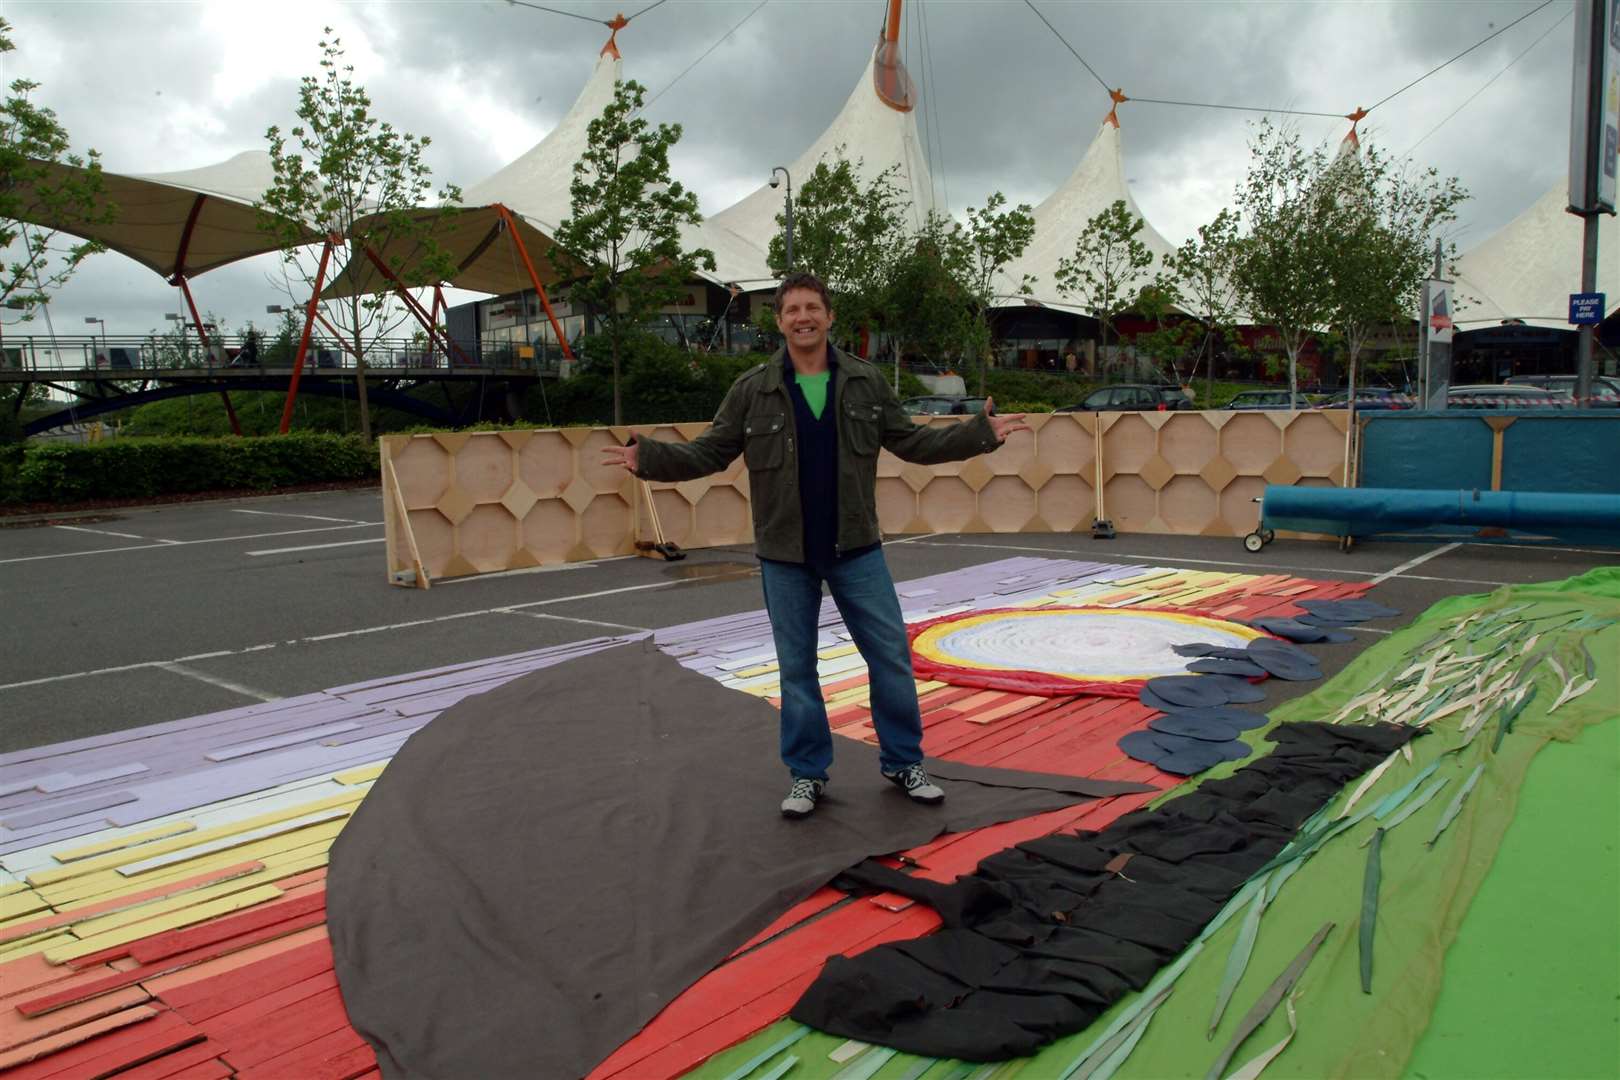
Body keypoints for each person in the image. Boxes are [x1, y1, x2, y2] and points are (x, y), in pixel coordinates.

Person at [602, 272, 1030, 818]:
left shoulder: (865, 382)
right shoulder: (752, 389)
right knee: (797, 671)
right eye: (791, 310)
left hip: (856, 549)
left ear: (829, 317)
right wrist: (652, 458)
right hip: (786, 557)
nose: (802, 317)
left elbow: (915, 443)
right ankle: (807, 775)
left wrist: (978, 433)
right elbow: (711, 452)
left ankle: (904, 762)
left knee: (892, 660)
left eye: (812, 308)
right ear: (779, 322)